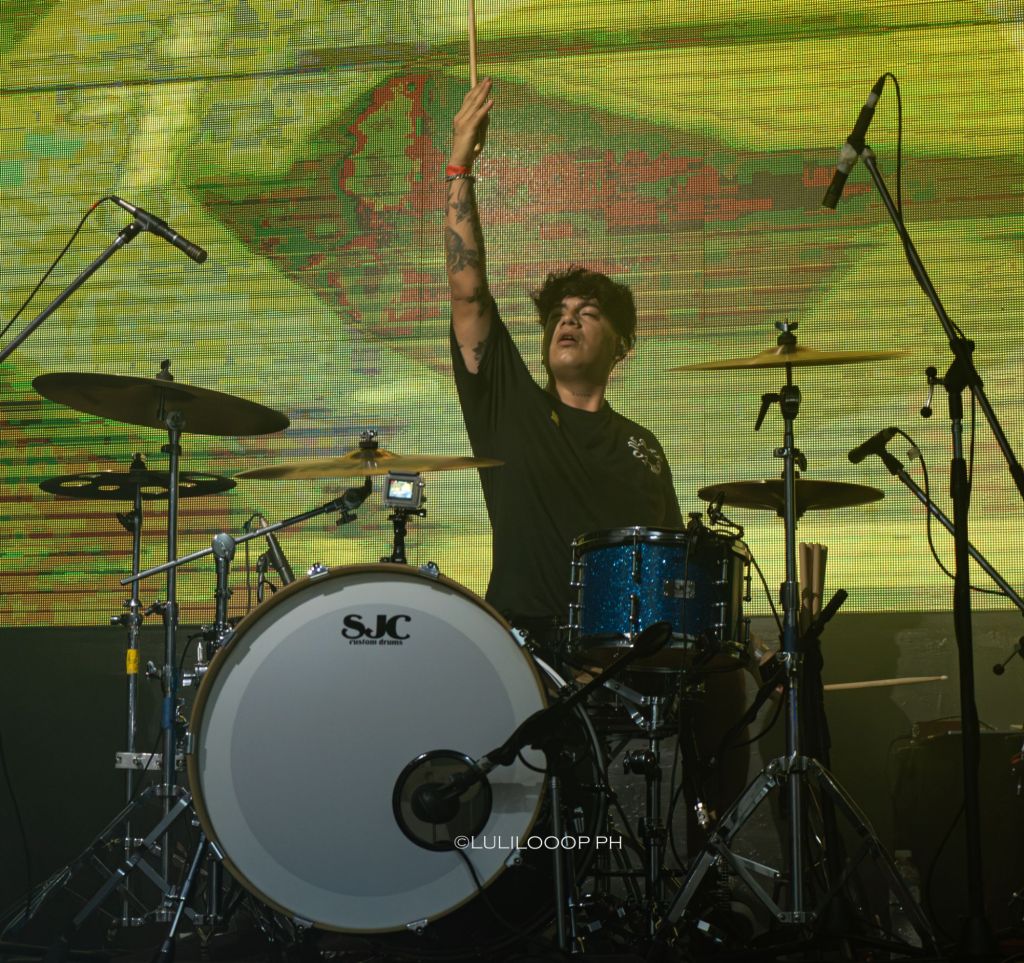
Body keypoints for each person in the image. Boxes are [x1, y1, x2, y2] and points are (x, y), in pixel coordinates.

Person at [444, 77, 684, 652]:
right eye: (558, 314)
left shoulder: (642, 447)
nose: (567, 321)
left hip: (622, 662)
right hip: (524, 653)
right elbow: (469, 293)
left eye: (588, 313)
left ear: (622, 346)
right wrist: (459, 166)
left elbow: (675, 570)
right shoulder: (509, 404)